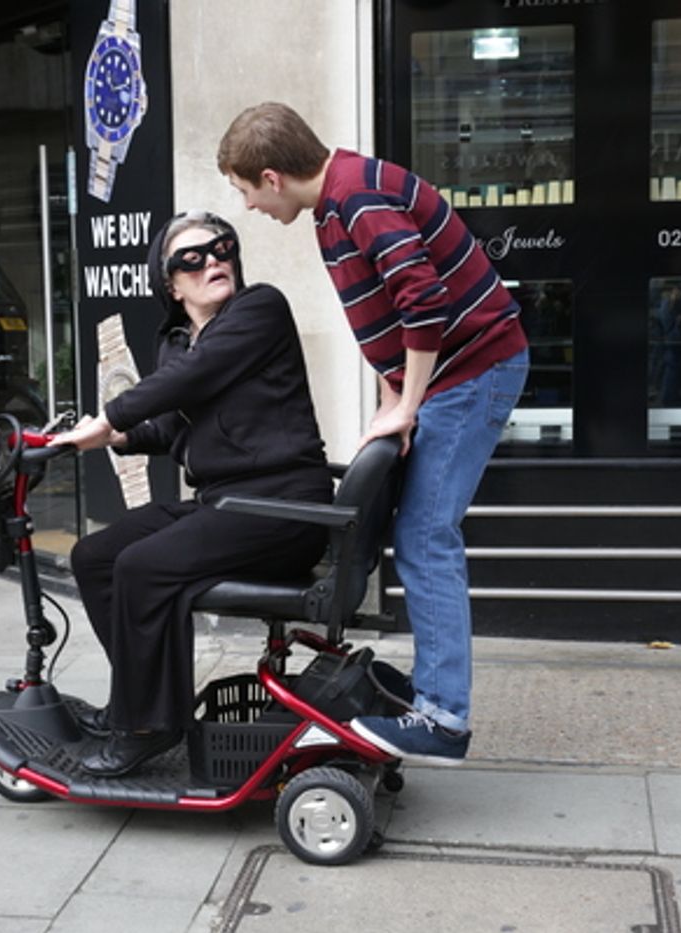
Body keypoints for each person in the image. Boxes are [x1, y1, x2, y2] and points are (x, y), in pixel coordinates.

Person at [217, 101, 530, 766]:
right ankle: (432, 695)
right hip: (454, 374)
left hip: (474, 369)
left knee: (425, 535)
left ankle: (444, 719)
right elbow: (391, 314)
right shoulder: (336, 203)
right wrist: (392, 399)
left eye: (244, 191)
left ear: (271, 177)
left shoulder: (356, 197)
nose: (247, 207)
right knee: (415, 531)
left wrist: (408, 405)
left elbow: (423, 298)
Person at [50, 210, 333, 777]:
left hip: (282, 506)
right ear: (171, 285)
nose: (213, 262)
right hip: (226, 504)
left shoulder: (260, 309)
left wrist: (107, 418)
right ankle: (138, 699)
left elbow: (192, 377)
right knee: (96, 557)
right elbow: (179, 425)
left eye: (222, 248)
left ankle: (149, 725)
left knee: (144, 567)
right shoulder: (180, 342)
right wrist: (113, 437)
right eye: (192, 258)